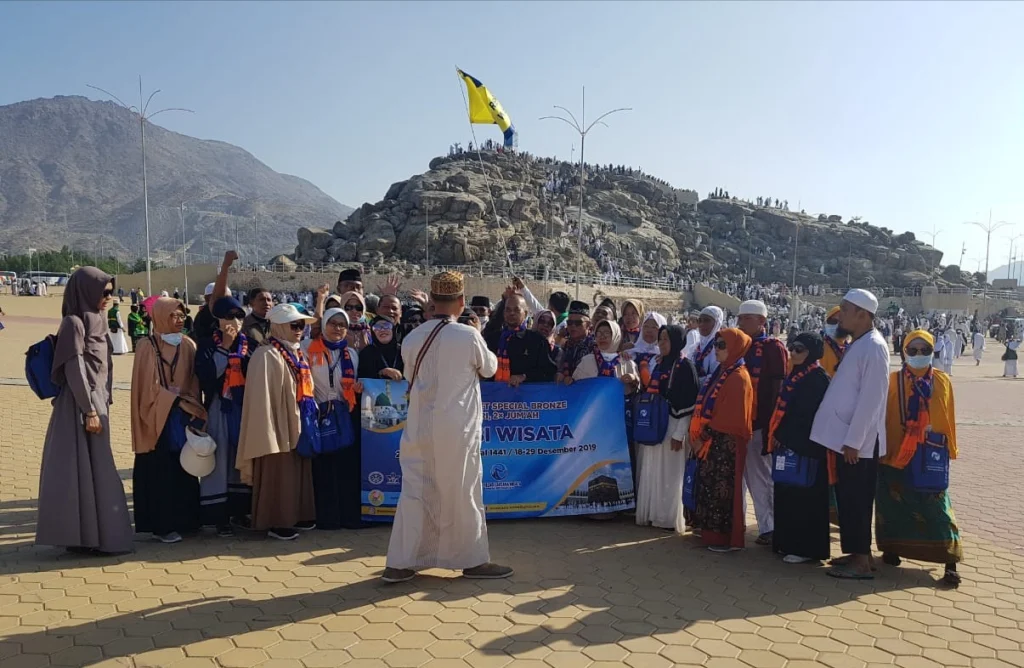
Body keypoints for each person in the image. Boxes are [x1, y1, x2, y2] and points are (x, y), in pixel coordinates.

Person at [383, 271, 511, 583]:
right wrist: (478, 331)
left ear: (432, 299)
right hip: (458, 430)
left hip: (419, 427)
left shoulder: (413, 338)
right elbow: (490, 368)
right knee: (463, 491)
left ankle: (401, 562)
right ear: (461, 301)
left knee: (415, 491)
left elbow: (412, 374)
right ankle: (472, 559)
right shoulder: (468, 335)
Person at [35, 267, 133, 555]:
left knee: (94, 470)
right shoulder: (74, 323)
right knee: (82, 470)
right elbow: (75, 368)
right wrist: (89, 409)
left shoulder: (98, 320)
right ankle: (87, 537)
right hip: (79, 405)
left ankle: (94, 536)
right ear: (85, 291)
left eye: (111, 292)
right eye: (103, 293)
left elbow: (104, 366)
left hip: (96, 402)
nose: (108, 298)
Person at [810, 289, 890, 579]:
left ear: (863, 315)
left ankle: (860, 562)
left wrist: (854, 441)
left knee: (856, 500)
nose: (839, 314)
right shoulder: (860, 343)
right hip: (848, 438)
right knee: (848, 498)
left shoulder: (874, 347)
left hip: (859, 442)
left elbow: (871, 400)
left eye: (845, 309)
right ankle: (859, 554)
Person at [876, 330, 962, 587]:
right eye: (912, 350)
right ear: (904, 352)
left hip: (927, 456)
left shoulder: (942, 381)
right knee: (892, 505)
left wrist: (948, 450)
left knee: (937, 508)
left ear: (932, 351)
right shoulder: (891, 380)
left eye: (924, 350)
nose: (918, 355)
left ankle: (950, 562)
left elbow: (948, 417)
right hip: (894, 453)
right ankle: (891, 549)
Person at [237, 304, 318, 540]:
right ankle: (276, 521)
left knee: (297, 469)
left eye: (302, 325)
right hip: (277, 424)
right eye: (294, 325)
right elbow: (260, 399)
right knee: (278, 472)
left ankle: (297, 514)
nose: (299, 330)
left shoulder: (296, 351)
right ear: (279, 326)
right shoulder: (266, 355)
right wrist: (270, 430)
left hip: (297, 419)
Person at [130, 297, 207, 543]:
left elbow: (194, 382)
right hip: (156, 416)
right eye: (173, 316)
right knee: (160, 470)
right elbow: (145, 388)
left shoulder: (187, 345)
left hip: (182, 415)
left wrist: (189, 404)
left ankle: (188, 521)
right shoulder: (146, 346)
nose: (179, 320)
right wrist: (168, 399)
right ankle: (162, 525)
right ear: (161, 317)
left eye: (182, 316)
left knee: (185, 468)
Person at [769, 332, 832, 564]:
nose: (793, 353)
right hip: (790, 445)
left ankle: (806, 548)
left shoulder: (817, 378)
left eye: (799, 349)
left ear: (812, 353)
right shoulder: (795, 374)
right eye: (792, 348)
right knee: (787, 493)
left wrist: (784, 436)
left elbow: (807, 416)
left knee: (805, 498)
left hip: (808, 448)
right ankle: (786, 542)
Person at [690, 328, 754, 552]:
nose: (717, 349)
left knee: (723, 490)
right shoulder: (724, 371)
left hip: (726, 443)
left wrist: (703, 437)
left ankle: (724, 538)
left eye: (722, 345)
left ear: (735, 348)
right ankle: (710, 533)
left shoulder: (738, 377)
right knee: (710, 487)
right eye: (716, 344)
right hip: (714, 441)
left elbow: (728, 417)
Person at [194, 296, 253, 536]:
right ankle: (218, 516)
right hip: (219, 406)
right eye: (230, 316)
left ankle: (240, 510)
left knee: (239, 458)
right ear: (218, 319)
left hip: (242, 407)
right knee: (219, 460)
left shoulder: (250, 345)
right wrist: (224, 348)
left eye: (240, 316)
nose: (236, 321)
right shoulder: (206, 345)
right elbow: (206, 376)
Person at [303, 308, 365, 530]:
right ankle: (326, 518)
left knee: (345, 466)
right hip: (318, 413)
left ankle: (347, 516)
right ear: (325, 324)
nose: (337, 328)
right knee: (323, 465)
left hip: (344, 412)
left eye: (342, 324)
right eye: (333, 323)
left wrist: (357, 388)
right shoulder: (308, 348)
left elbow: (354, 382)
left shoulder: (351, 354)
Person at [635, 324, 699, 533]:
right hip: (654, 425)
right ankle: (654, 513)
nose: (661, 343)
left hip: (673, 426)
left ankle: (668, 517)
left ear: (677, 342)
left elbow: (688, 403)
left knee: (671, 473)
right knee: (653, 470)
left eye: (665, 339)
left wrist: (680, 434)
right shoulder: (660, 364)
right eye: (660, 339)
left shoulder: (685, 366)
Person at [737, 299, 789, 546]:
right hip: (740, 422)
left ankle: (770, 527)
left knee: (761, 476)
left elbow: (779, 386)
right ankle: (739, 522)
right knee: (742, 476)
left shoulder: (773, 347)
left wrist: (772, 423)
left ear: (762, 321)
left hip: (761, 421)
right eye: (740, 317)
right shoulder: (739, 345)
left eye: (747, 318)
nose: (741, 322)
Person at [486, 293, 557, 385]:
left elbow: (549, 371)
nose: (511, 313)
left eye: (516, 310)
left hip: (525, 397)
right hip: (495, 396)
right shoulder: (493, 339)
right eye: (508, 310)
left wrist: (524, 376)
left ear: (525, 313)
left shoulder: (537, 340)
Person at [556, 301, 594, 384]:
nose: (573, 326)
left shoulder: (595, 346)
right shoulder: (565, 345)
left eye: (578, 323)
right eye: (570, 323)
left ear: (588, 325)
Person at [359, 316, 405, 380]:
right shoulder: (367, 353)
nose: (382, 329)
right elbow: (363, 379)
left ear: (393, 329)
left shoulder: (404, 350)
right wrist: (382, 372)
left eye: (387, 325)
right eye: (377, 327)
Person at [690, 306, 724, 383]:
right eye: (700, 321)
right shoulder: (696, 346)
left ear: (717, 323)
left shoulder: (720, 347)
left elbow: (718, 375)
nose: (701, 324)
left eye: (707, 320)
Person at [821, 306, 849, 377]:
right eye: (832, 322)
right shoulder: (820, 348)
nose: (837, 325)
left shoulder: (852, 347)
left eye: (841, 322)